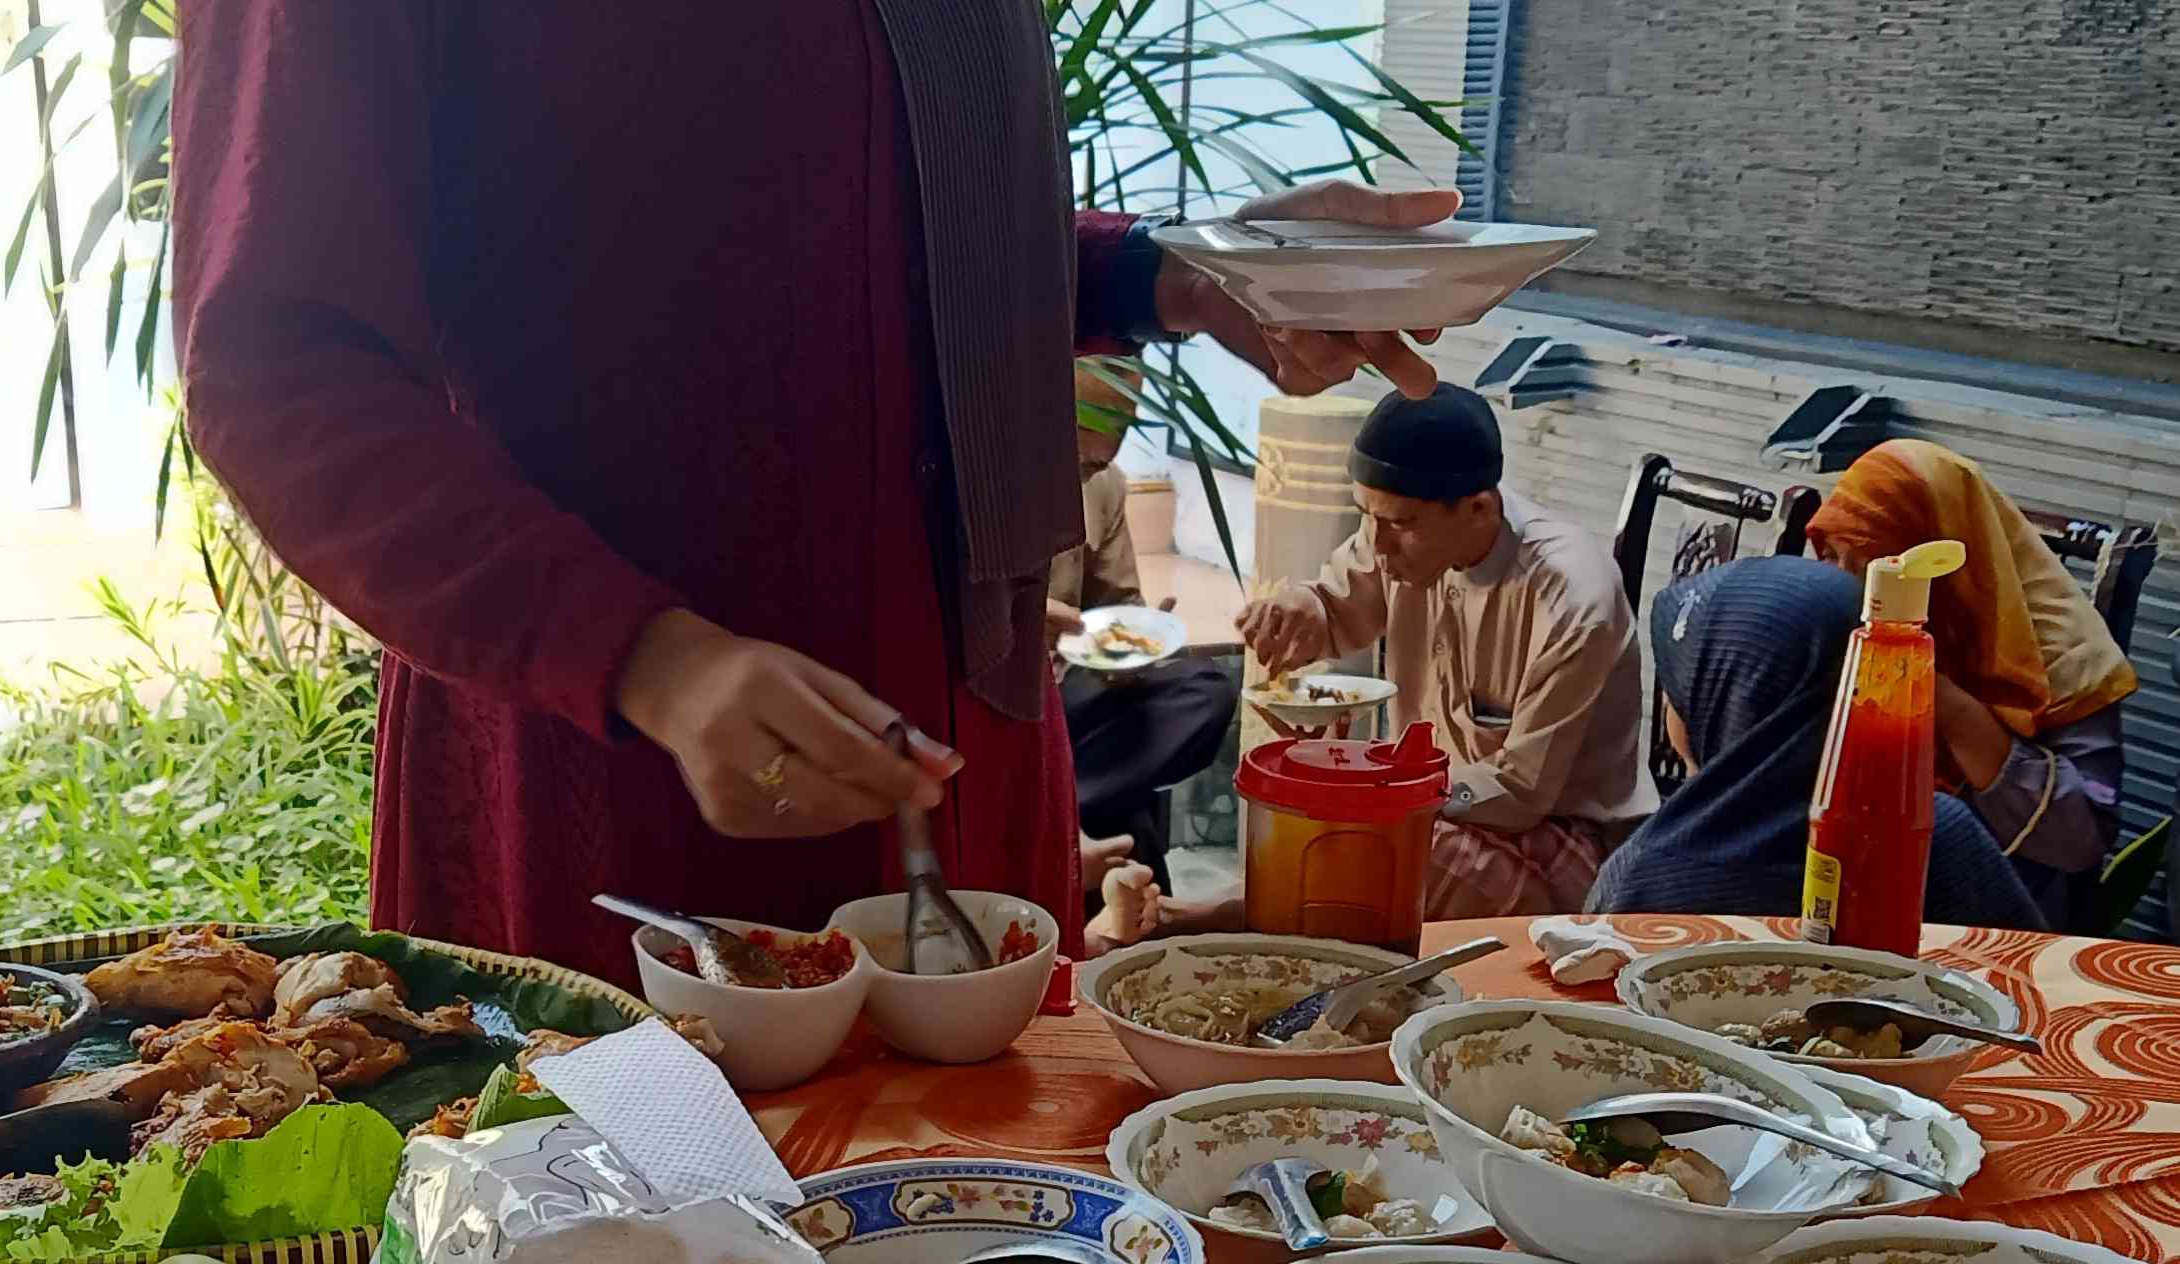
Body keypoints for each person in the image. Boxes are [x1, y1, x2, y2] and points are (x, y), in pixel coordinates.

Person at [170, 4, 1457, 989]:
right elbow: (278, 364)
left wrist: (1172, 275)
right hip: (631, 782)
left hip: (974, 742)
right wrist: (651, 664)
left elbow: (876, 237)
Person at [1238, 383, 1652, 920]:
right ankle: (1215, 922)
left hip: (1564, 836)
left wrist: (1378, 787)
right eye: (1368, 516)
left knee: (1386, 854)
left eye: (1399, 525)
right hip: (1430, 801)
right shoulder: (1396, 532)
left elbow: (1522, 792)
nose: (1378, 546)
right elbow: (1334, 606)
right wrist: (1300, 608)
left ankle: (1228, 927)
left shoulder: (1572, 597)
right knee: (1305, 813)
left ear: (1479, 509)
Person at [1590, 558, 2044, 932]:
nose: (1670, 701)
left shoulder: (1646, 882)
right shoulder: (1936, 834)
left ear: (1723, 701)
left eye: (1678, 686)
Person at [1804, 439, 2136, 931]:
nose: (1849, 587)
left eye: (1871, 562)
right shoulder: (1832, 623)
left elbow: (2080, 838)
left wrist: (1941, 700)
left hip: (2003, 909)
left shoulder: (2064, 656)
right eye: (1830, 555)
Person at [1048, 358, 1236, 949]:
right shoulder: (976, 489)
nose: (1099, 458)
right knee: (1129, 806)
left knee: (1202, 686)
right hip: (999, 702)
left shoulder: (1104, 483)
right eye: (1083, 444)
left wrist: (1143, 649)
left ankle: (1062, 807)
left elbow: (1115, 608)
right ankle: (1141, 929)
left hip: (1074, 691)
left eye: (1124, 423)